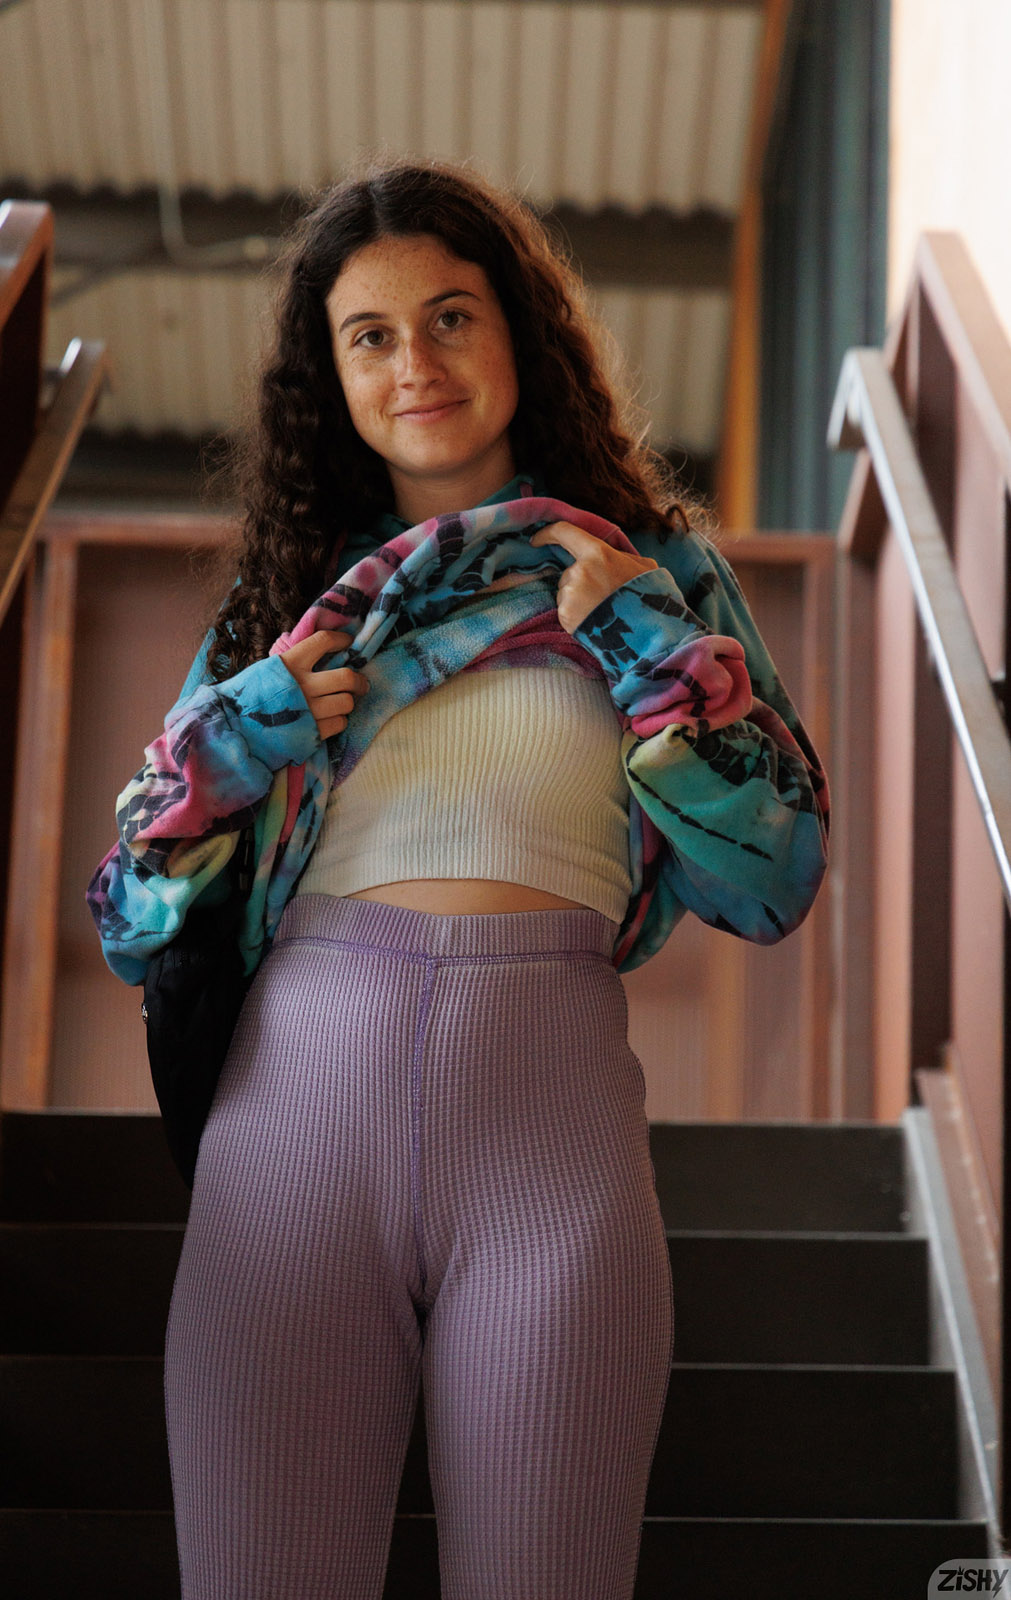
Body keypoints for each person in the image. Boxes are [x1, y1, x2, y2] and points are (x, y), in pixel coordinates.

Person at [87, 158, 829, 1600]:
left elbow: (778, 873)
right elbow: (131, 902)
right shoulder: (287, 605)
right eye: (369, 336)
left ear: (518, 332)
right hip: (293, 1120)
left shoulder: (656, 575)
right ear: (332, 377)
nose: (414, 364)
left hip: (550, 1127)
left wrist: (645, 652)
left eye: (450, 317)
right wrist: (252, 723)